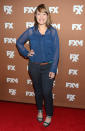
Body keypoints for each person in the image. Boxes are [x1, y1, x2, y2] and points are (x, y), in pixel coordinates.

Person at [16, 4, 59, 127]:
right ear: (35, 15)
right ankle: (40, 110)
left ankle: (49, 114)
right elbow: (19, 42)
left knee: (47, 91)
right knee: (38, 91)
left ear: (47, 16)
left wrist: (53, 69)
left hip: (48, 67)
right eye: (39, 14)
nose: (41, 17)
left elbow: (57, 51)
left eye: (44, 14)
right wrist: (26, 53)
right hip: (34, 66)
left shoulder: (52, 31)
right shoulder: (31, 31)